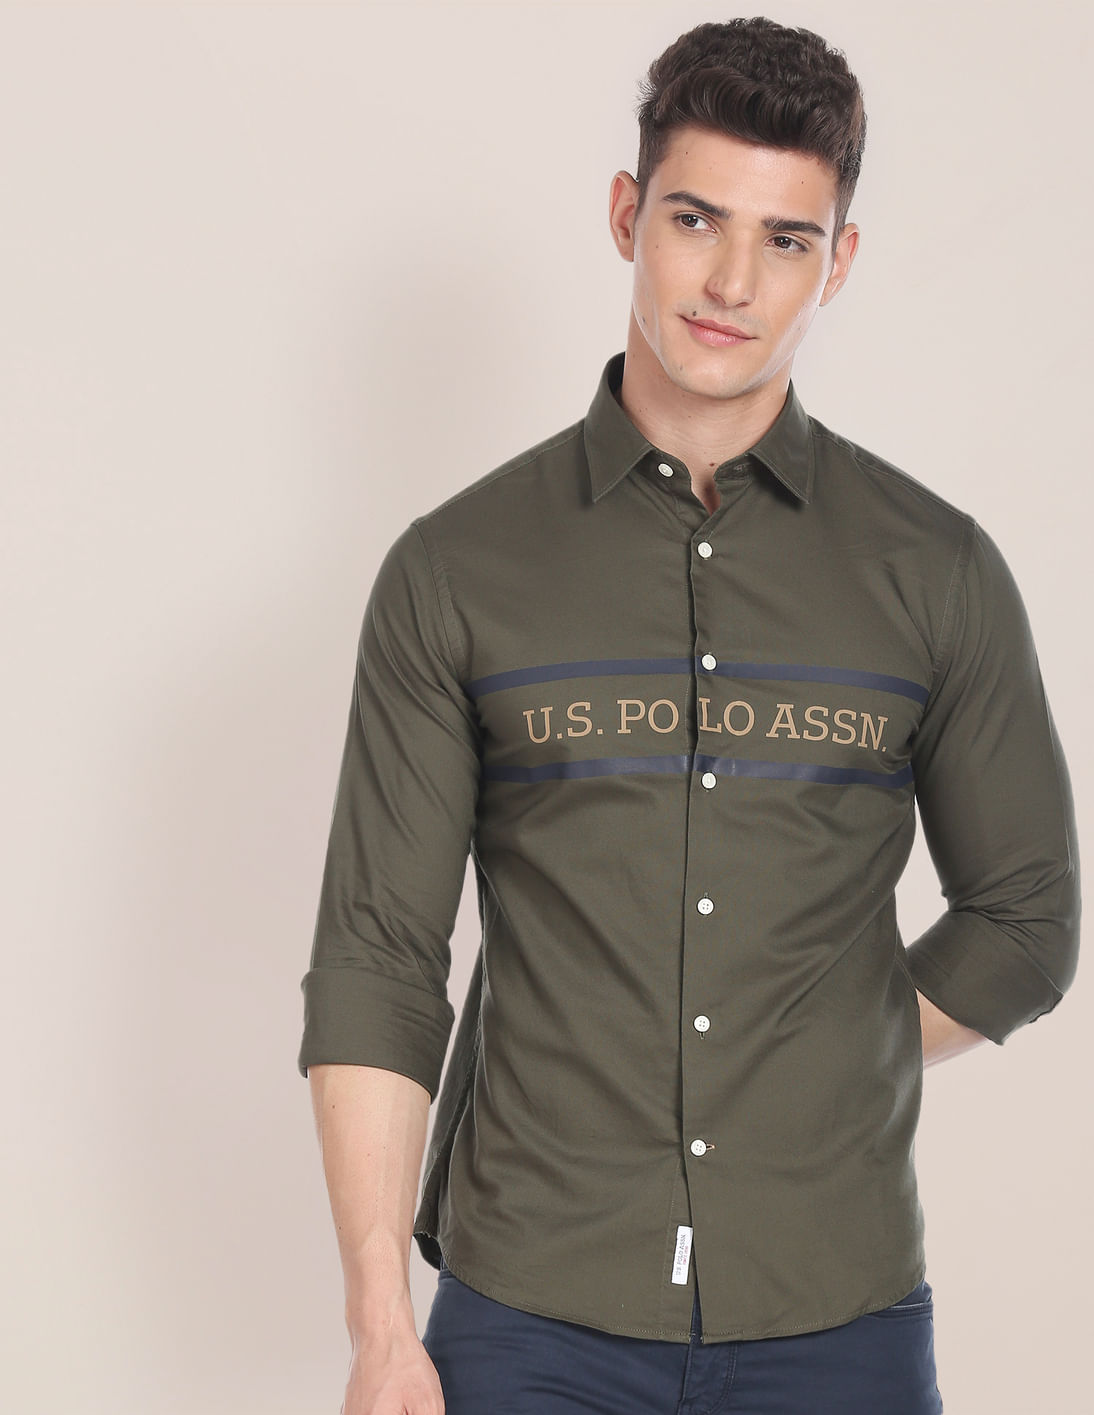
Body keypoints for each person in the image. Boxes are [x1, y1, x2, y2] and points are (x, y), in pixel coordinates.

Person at [298, 16, 1080, 1415]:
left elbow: (1026, 918)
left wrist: (821, 1050)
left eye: (786, 240)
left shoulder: (934, 571)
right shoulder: (456, 571)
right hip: (529, 1318)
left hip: (835, 1313)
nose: (731, 282)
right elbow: (379, 960)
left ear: (838, 260)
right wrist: (378, 1325)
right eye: (695, 219)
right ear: (627, 216)